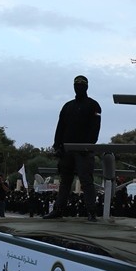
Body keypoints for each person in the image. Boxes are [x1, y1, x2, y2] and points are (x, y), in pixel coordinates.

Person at [45, 74, 102, 220]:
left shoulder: (93, 105)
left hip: (83, 150)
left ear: (86, 87)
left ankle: (91, 212)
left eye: (82, 85)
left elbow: (95, 129)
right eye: (77, 85)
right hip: (67, 150)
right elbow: (60, 127)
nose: (79, 87)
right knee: (65, 181)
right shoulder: (67, 106)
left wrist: (87, 146)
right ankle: (58, 210)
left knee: (86, 181)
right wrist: (57, 145)